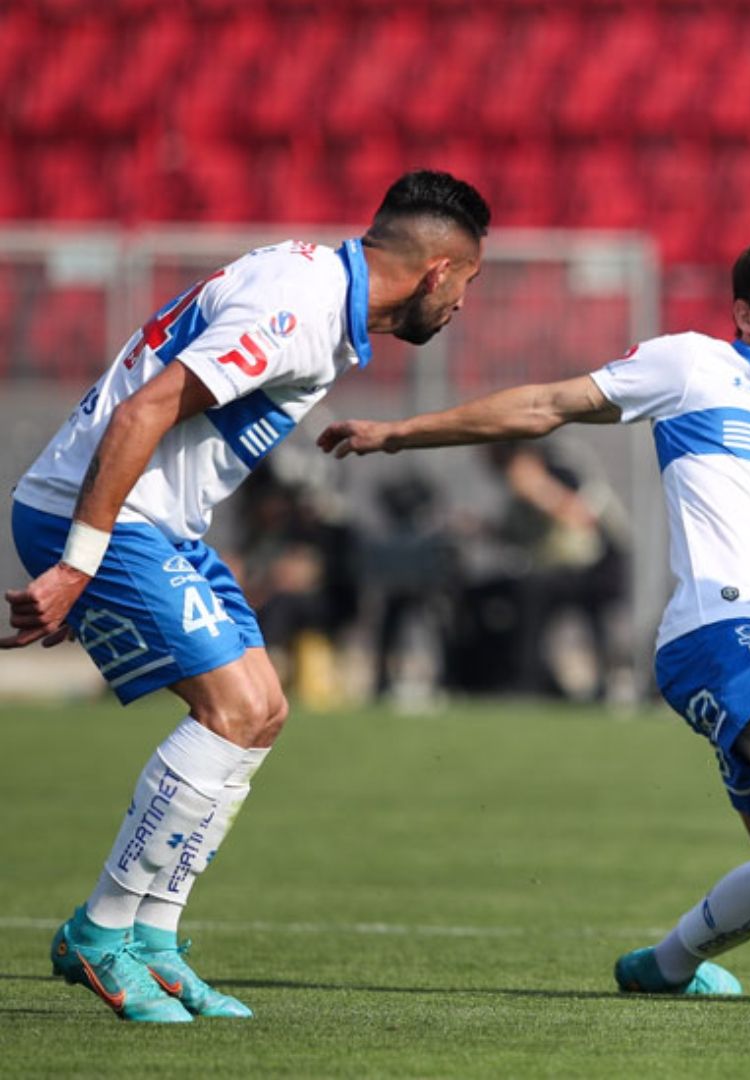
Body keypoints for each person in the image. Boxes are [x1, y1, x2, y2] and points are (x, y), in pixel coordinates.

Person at [319, 226, 750, 1004]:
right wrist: (400, 434)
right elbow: (545, 405)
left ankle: (663, 966)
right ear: (746, 315)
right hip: (715, 633)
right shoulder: (693, 365)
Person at [3, 170, 490, 1022]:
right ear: (439, 272)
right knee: (229, 708)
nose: (462, 309)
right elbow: (142, 413)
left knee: (262, 709)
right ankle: (99, 931)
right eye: (469, 286)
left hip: (161, 524)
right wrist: (79, 563)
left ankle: (153, 942)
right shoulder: (300, 309)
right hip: (99, 516)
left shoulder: (317, 292)